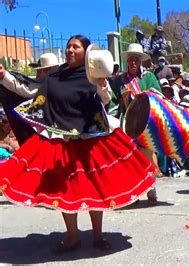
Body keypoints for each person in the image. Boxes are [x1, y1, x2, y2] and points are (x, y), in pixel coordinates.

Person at [0, 35, 155, 252]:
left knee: (94, 186)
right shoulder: (54, 76)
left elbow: (105, 99)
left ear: (86, 52)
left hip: (90, 140)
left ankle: (98, 235)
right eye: (68, 46)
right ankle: (72, 236)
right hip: (62, 140)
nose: (70, 50)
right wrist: (5, 75)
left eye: (76, 47)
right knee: (65, 191)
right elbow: (29, 88)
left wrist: (101, 84)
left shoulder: (93, 75)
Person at [109, 42, 163, 204]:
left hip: (146, 123)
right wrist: (121, 101)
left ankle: (151, 190)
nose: (133, 62)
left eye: (136, 59)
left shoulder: (149, 77)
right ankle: (134, 195)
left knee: (147, 157)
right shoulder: (118, 81)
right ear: (127, 61)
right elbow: (112, 103)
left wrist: (143, 96)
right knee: (130, 160)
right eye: (130, 59)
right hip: (127, 124)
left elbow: (158, 97)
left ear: (140, 61)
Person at [0, 53, 59, 145]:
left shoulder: (47, 86)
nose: (37, 74)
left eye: (40, 71)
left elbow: (26, 89)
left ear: (47, 70)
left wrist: (4, 75)